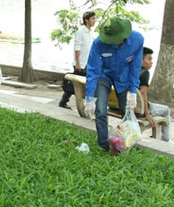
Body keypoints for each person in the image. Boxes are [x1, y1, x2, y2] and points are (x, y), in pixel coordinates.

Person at [84, 17, 144, 151]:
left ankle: (129, 144)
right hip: (104, 75)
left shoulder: (137, 40)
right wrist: (89, 98)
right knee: (100, 109)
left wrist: (133, 91)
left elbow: (136, 66)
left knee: (127, 109)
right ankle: (104, 144)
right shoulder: (98, 43)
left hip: (124, 76)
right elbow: (93, 70)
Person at [59, 11, 96, 109]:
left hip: (87, 63)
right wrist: (78, 63)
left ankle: (65, 101)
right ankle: (65, 101)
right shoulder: (81, 32)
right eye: (92, 18)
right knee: (75, 84)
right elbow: (77, 48)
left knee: (80, 84)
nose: (94, 20)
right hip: (80, 63)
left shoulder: (91, 33)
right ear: (86, 20)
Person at [139, 47, 173, 143]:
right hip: (140, 108)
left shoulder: (130, 69)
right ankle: (165, 139)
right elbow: (143, 93)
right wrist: (147, 113)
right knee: (166, 109)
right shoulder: (144, 73)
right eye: (149, 59)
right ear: (141, 60)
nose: (151, 62)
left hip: (127, 105)